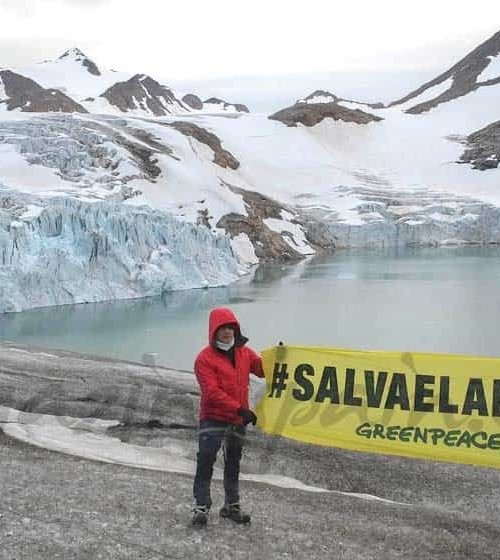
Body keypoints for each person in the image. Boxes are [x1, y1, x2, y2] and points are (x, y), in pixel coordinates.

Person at [191, 306, 264, 527]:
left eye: (231, 328)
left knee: (233, 462)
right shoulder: (204, 359)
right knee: (206, 459)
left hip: (237, 419)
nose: (228, 332)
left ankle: (231, 506)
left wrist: (282, 357)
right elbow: (211, 393)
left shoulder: (244, 352)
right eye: (223, 328)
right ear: (214, 330)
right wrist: (239, 408)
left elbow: (262, 369)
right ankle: (201, 506)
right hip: (213, 417)